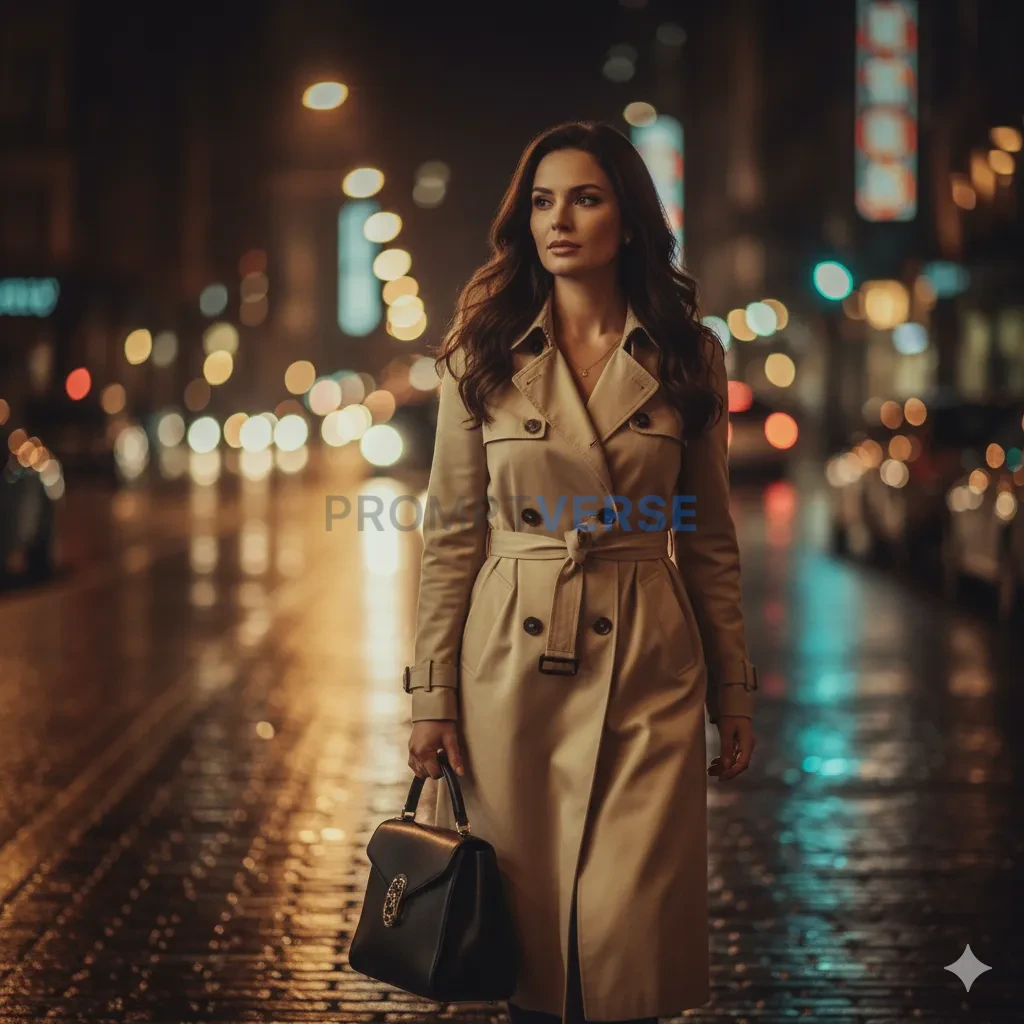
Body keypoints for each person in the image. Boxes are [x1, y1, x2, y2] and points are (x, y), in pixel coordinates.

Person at [404, 120, 758, 1024]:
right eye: (542, 201)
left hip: (648, 662)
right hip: (512, 670)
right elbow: (450, 536)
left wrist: (734, 690)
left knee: (625, 938)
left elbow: (710, 540)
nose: (559, 220)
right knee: (524, 943)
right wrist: (431, 695)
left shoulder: (688, 356)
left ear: (630, 222)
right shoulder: (480, 354)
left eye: (587, 198)